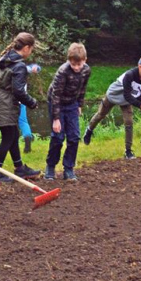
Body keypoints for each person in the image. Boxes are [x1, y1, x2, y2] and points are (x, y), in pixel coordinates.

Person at [0, 32, 42, 183]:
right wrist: (32, 102)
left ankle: (19, 168)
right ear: (26, 48)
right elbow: (18, 91)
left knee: (13, 134)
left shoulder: (6, 59)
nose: (30, 53)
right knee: (8, 137)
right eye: (31, 49)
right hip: (5, 103)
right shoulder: (19, 66)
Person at [83, 56, 141, 159]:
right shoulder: (130, 75)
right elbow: (127, 95)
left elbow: (140, 97)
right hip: (113, 95)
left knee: (129, 122)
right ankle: (89, 130)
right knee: (101, 115)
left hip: (126, 100)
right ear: (140, 66)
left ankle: (128, 151)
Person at [44, 43, 91, 181]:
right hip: (56, 103)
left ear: (85, 60)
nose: (76, 67)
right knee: (57, 137)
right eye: (73, 64)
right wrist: (56, 118)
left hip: (72, 104)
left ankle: (69, 169)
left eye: (79, 64)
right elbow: (55, 96)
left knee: (74, 137)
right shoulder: (62, 71)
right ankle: (50, 167)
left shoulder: (86, 70)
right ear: (68, 60)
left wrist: (80, 105)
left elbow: (82, 89)